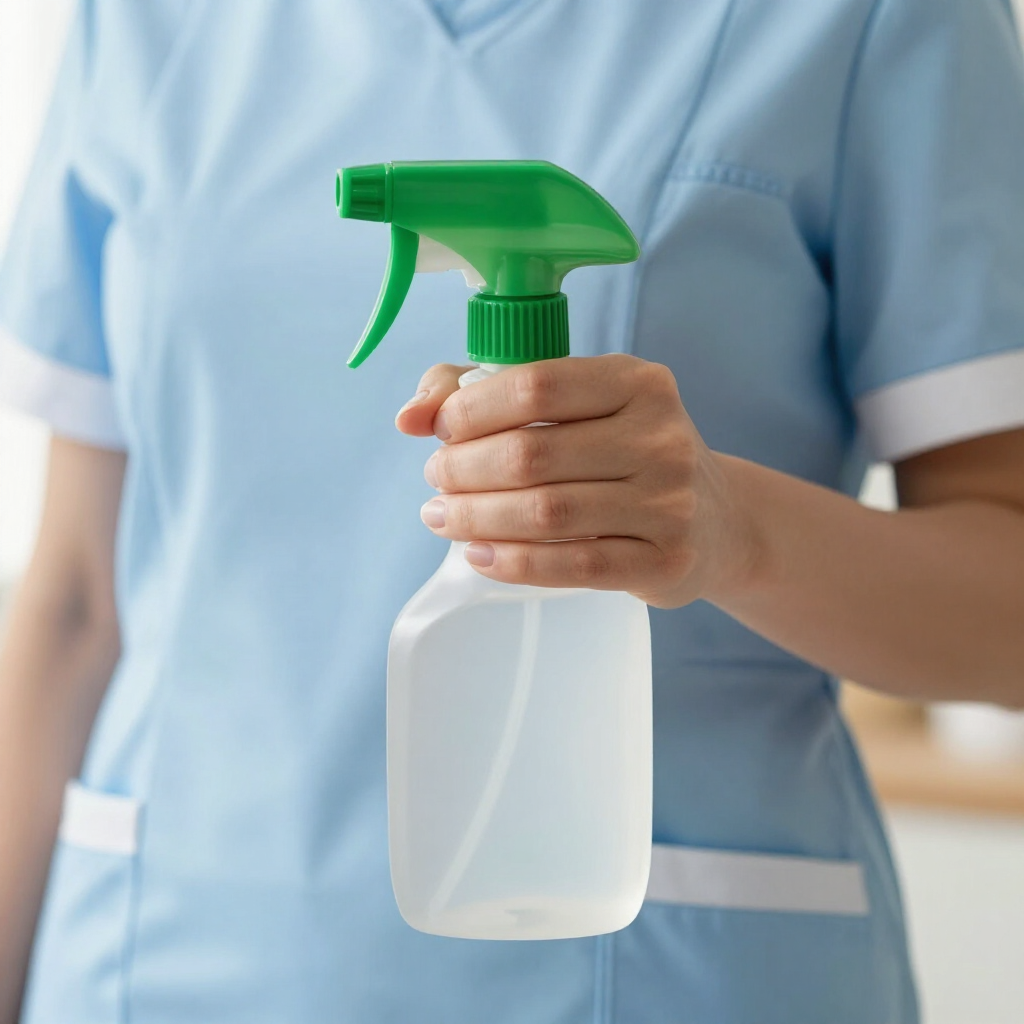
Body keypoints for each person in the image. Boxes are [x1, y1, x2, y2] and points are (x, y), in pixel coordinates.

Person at [1, 0, 1024, 1021]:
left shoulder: (873, 19)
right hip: (159, 957)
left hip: (658, 975)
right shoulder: (140, 20)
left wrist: (731, 530)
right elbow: (76, 602)